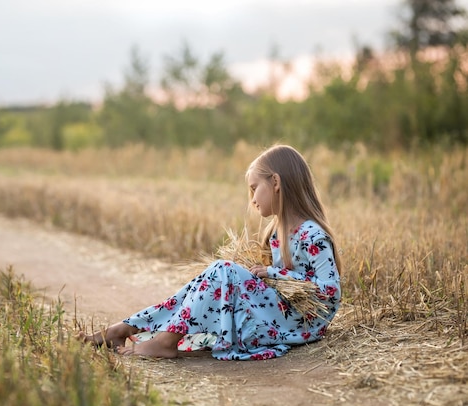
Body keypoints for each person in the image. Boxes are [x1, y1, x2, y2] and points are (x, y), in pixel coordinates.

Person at [80, 144, 342, 360]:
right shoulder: (279, 232)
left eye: (254, 188)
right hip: (278, 318)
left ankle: (164, 341)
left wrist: (272, 274)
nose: (252, 199)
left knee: (223, 270)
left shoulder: (312, 235)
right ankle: (126, 328)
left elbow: (331, 293)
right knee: (214, 278)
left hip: (299, 326)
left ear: (275, 182)